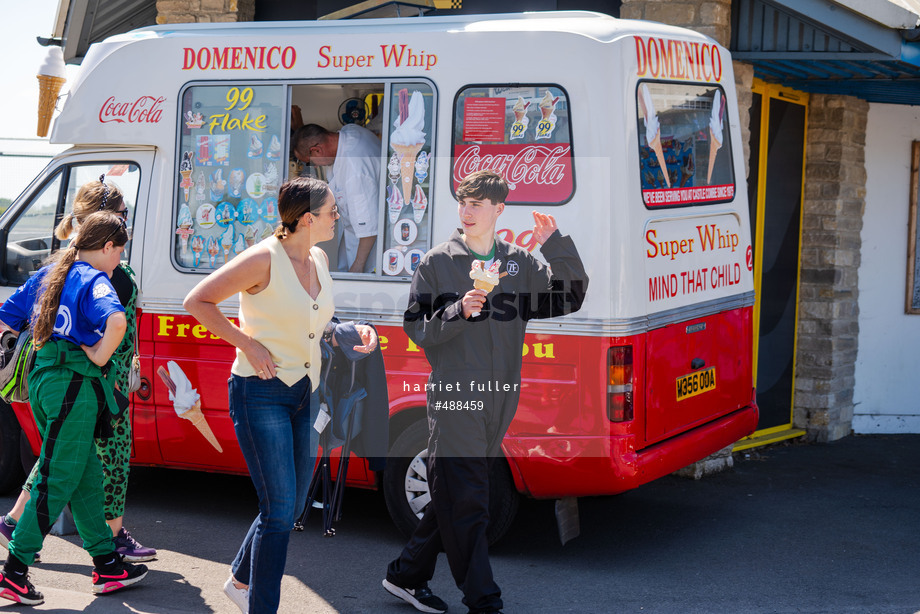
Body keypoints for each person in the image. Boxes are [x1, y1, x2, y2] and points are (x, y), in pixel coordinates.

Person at [382, 170, 588, 614]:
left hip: (500, 396)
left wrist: (555, 245)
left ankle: (405, 575)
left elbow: (569, 298)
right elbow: (416, 328)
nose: (467, 211)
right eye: (463, 202)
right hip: (457, 396)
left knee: (455, 493)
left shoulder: (519, 262)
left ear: (499, 209)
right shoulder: (438, 262)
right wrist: (457, 310)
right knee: (472, 498)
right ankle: (483, 598)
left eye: (478, 203)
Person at [183, 176, 378, 614]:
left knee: (287, 507)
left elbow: (311, 319)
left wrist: (345, 331)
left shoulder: (319, 257)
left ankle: (239, 579)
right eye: (332, 212)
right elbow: (197, 301)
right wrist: (246, 343)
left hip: (305, 394)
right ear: (308, 219)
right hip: (260, 393)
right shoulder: (262, 259)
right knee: (277, 514)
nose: (337, 217)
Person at [0, 176, 156, 563]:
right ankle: (22, 565)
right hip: (95, 381)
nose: (126, 227)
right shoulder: (103, 273)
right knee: (100, 460)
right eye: (122, 217)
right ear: (106, 229)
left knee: (69, 458)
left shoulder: (58, 265)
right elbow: (115, 324)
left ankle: (102, 557)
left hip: (59, 378)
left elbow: (9, 317)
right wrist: (104, 357)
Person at [292, 124, 381, 273]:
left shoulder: (355, 171)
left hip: (368, 248)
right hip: (352, 234)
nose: (313, 167)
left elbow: (369, 229)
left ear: (317, 150)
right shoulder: (349, 131)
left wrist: (358, 265)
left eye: (310, 161)